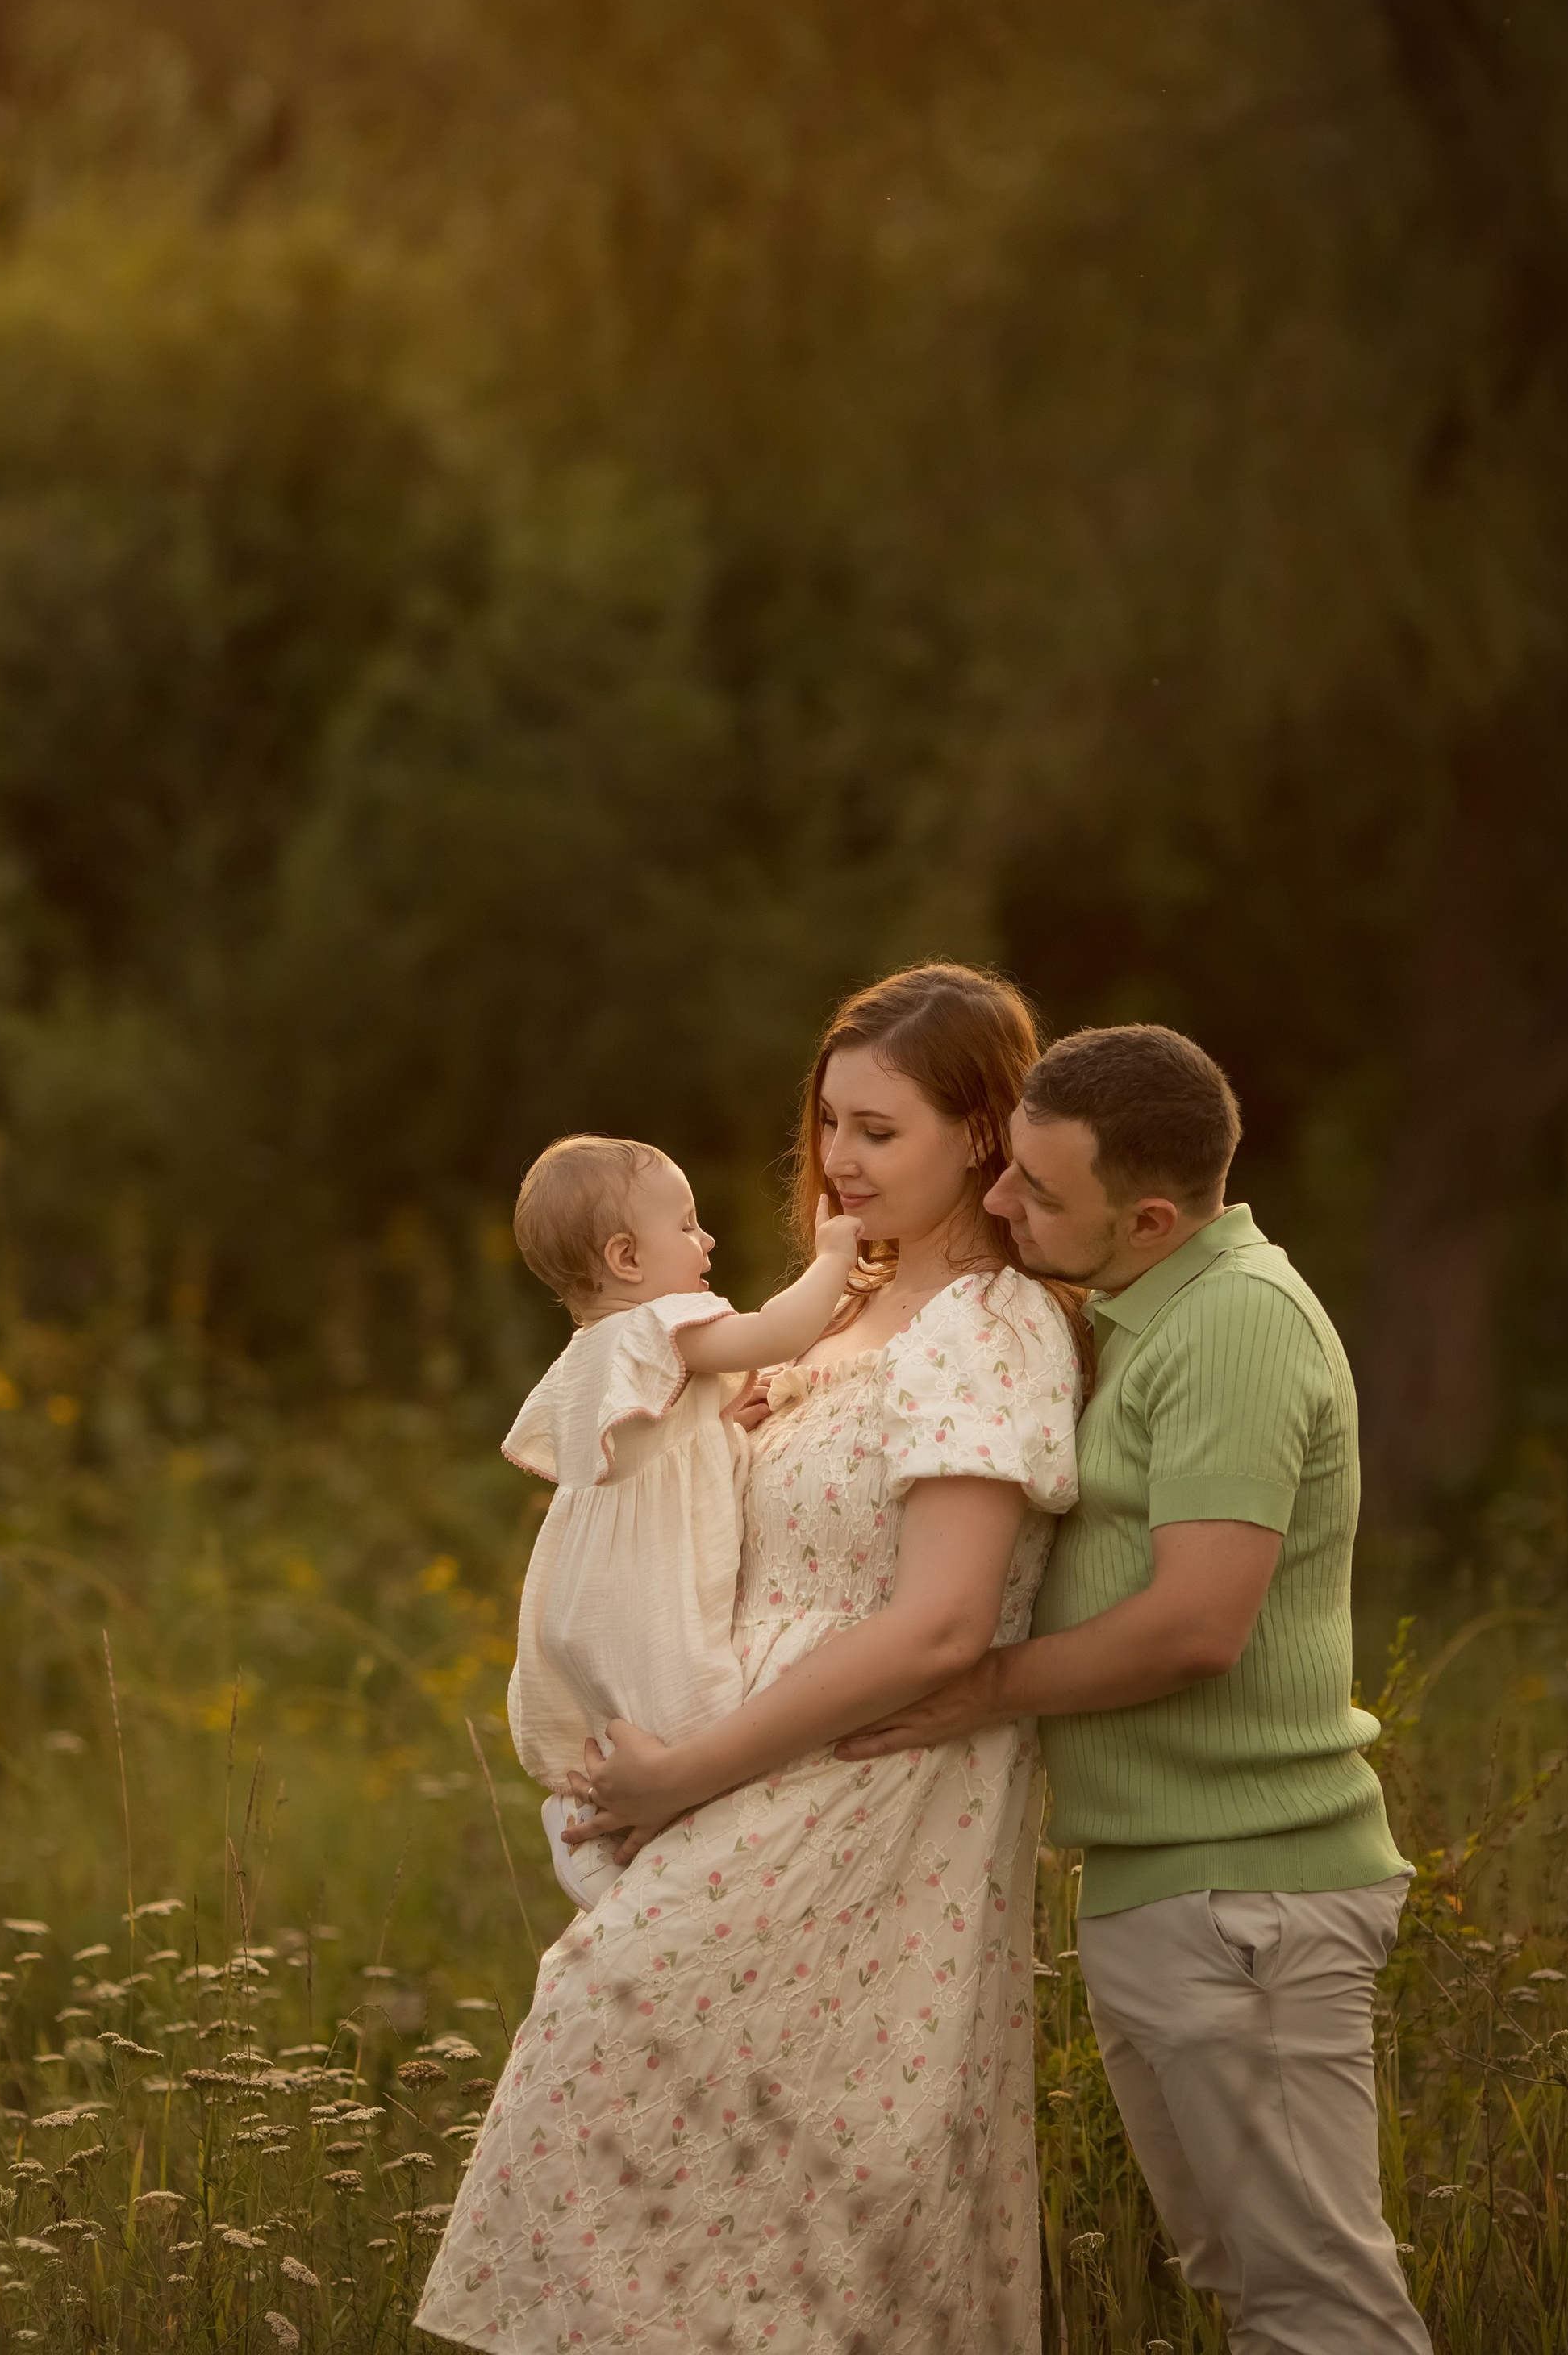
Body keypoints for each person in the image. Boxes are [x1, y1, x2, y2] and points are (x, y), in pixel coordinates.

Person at [417, 963, 1086, 2355]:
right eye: (830, 1124)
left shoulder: (988, 1327)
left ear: (981, 1135)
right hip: (736, 1792)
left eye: (880, 1130)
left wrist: (683, 1776)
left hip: (851, 1808)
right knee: (650, 2190)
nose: (840, 1160)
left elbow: (944, 1622)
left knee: (785, 2215)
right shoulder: (834, 1315)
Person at [838, 1021, 1429, 2355]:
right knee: (1254, 2289)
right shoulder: (1146, 1315)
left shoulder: (1234, 1326)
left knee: (1320, 2307)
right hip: (1173, 1886)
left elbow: (1196, 1626)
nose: (1000, 1201)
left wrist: (980, 1687)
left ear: (1152, 1216)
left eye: (1040, 1191)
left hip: (1250, 1895)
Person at [502, 1131, 868, 1903]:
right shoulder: (661, 1323)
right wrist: (835, 1259)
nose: (706, 1240)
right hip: (642, 1592)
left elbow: (661, 1447)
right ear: (628, 1259)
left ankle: (591, 1809)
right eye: (688, 1224)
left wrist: (725, 1424)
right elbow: (775, 1333)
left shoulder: (593, 1348)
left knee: (629, 1720)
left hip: (585, 1594)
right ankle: (620, 1843)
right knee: (696, 1719)